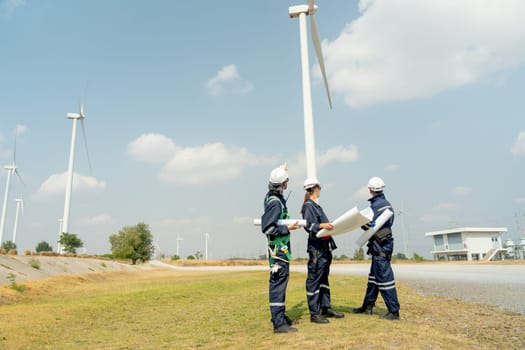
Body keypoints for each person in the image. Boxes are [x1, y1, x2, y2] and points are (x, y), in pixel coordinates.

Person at [353, 176, 400, 320]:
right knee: (373, 278)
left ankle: (394, 311)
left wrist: (362, 223)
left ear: (369, 190)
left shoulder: (375, 206)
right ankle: (367, 306)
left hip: (380, 246)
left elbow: (371, 225)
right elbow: (388, 223)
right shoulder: (387, 204)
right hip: (382, 244)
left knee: (384, 278)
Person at [261, 164, 301, 333]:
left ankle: (280, 316)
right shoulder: (275, 204)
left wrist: (282, 170)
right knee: (278, 284)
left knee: (281, 284)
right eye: (286, 182)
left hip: (280, 250)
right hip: (278, 251)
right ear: (283, 185)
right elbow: (268, 228)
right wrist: (288, 228)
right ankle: (278, 323)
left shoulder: (271, 196)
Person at [301, 178, 345, 324]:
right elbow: (309, 225)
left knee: (323, 280)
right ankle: (314, 313)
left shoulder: (316, 206)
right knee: (314, 281)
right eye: (319, 187)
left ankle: (325, 307)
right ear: (315, 188)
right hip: (316, 250)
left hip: (324, 248)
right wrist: (323, 225)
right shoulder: (308, 206)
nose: (320, 190)